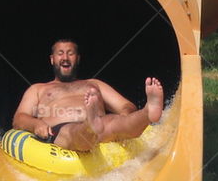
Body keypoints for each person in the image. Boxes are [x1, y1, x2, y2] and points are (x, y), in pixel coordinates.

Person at [12, 38, 164, 152]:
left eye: (70, 53)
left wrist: (125, 114)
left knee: (116, 123)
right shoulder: (38, 89)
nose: (65, 57)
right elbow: (19, 118)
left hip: (101, 124)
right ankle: (90, 125)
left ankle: (147, 112)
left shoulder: (93, 84)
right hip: (63, 129)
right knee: (77, 132)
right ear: (52, 59)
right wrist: (36, 124)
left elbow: (126, 105)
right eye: (60, 53)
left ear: (77, 59)